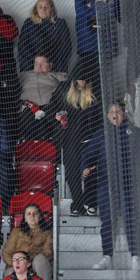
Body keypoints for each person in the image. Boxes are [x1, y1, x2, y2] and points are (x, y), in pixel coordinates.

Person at [85, 101, 140, 272]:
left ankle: (136, 257)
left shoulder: (135, 132)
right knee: (107, 221)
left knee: (131, 220)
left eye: (118, 111)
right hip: (106, 185)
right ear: (107, 115)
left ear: (124, 114)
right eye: (111, 111)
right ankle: (107, 257)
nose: (115, 114)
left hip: (129, 184)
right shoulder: (101, 134)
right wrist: (86, 166)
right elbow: (89, 154)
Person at [55, 61, 102, 215]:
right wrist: (56, 116)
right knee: (72, 172)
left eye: (84, 80)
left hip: (90, 138)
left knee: (90, 170)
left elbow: (100, 118)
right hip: (70, 138)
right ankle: (78, 203)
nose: (81, 82)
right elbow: (51, 108)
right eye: (79, 79)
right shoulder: (63, 90)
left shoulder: (96, 93)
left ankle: (90, 202)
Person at [17, 53, 68, 141]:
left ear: (50, 65)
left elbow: (72, 81)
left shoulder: (57, 76)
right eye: (36, 63)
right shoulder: (23, 76)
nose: (39, 66)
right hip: (29, 108)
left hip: (50, 107)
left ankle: (51, 141)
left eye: (43, 63)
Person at [16, 0, 72, 73]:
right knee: (26, 63)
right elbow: (22, 46)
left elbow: (66, 46)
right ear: (36, 9)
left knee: (61, 65)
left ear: (52, 8)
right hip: (32, 61)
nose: (44, 9)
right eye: (40, 7)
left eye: (47, 6)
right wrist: (37, 60)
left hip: (54, 63)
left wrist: (48, 62)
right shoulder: (29, 23)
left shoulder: (60, 23)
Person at [2, 203, 53, 280]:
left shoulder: (47, 233)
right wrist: (18, 263)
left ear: (40, 217)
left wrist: (28, 263)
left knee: (40, 258)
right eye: (28, 214)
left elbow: (48, 253)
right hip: (16, 266)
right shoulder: (17, 231)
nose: (32, 216)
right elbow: (6, 252)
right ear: (25, 218)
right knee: (11, 273)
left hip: (36, 266)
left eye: (35, 213)